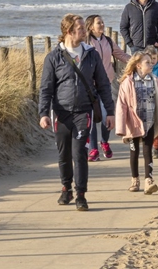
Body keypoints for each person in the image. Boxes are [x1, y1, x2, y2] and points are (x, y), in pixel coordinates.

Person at [39, 14, 115, 211]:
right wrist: (43, 113)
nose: (84, 31)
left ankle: (81, 194)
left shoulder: (91, 54)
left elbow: (104, 84)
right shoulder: (54, 57)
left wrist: (111, 112)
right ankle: (66, 188)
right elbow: (46, 88)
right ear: (69, 31)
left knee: (79, 152)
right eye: (80, 28)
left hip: (84, 111)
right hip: (61, 113)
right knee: (63, 154)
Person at [115, 51, 158, 195]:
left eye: (151, 61)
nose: (151, 64)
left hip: (149, 121)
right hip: (133, 123)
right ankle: (135, 179)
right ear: (138, 65)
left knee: (148, 150)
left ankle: (149, 179)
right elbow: (121, 106)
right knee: (134, 151)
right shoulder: (128, 82)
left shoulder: (156, 81)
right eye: (147, 62)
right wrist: (121, 128)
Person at [85, 14, 130, 162]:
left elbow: (121, 55)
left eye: (102, 22)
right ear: (91, 26)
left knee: (106, 117)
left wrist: (136, 60)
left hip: (106, 85)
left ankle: (104, 141)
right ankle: (93, 149)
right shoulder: (85, 42)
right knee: (91, 118)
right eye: (99, 23)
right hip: (89, 86)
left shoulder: (108, 41)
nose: (102, 25)